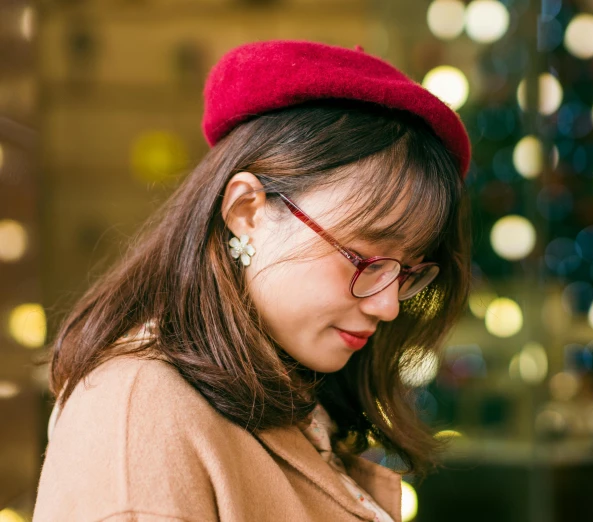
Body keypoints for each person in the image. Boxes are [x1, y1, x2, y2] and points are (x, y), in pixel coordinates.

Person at [33, 39, 471, 522]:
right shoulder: (138, 411)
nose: (388, 306)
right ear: (246, 211)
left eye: (408, 271)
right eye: (365, 258)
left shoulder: (285, 399)